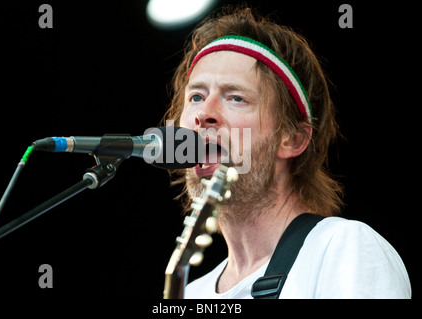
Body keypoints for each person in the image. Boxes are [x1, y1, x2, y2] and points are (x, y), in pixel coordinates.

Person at [163, 7, 411, 298]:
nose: (204, 113)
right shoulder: (192, 292)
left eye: (236, 97)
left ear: (292, 139)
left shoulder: (341, 248)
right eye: (196, 96)